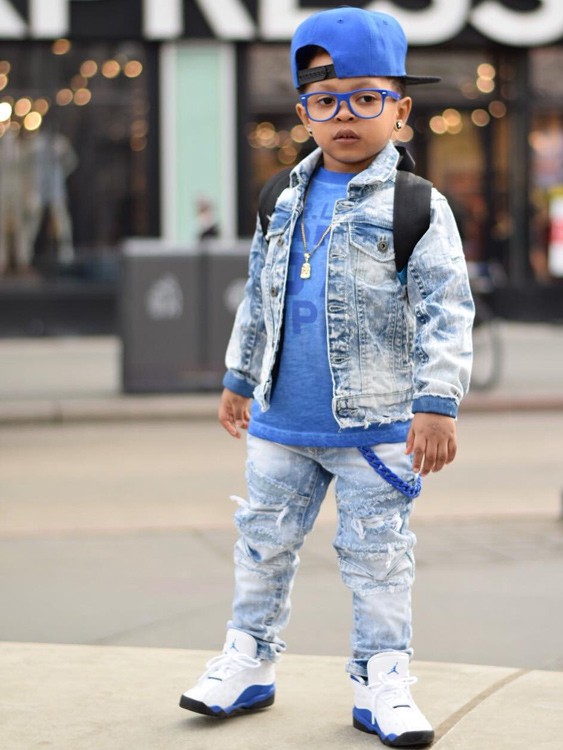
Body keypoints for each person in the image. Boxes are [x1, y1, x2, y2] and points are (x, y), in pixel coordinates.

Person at [180, 7, 474, 747]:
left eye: (366, 98)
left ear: (400, 112)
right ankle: (248, 660)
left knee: (377, 560)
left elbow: (446, 308)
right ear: (303, 112)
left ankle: (382, 679)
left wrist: (437, 404)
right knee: (261, 545)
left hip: (375, 427)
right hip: (280, 420)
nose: (344, 115)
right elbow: (258, 294)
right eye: (325, 99)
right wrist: (239, 375)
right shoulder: (278, 197)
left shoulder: (416, 205)